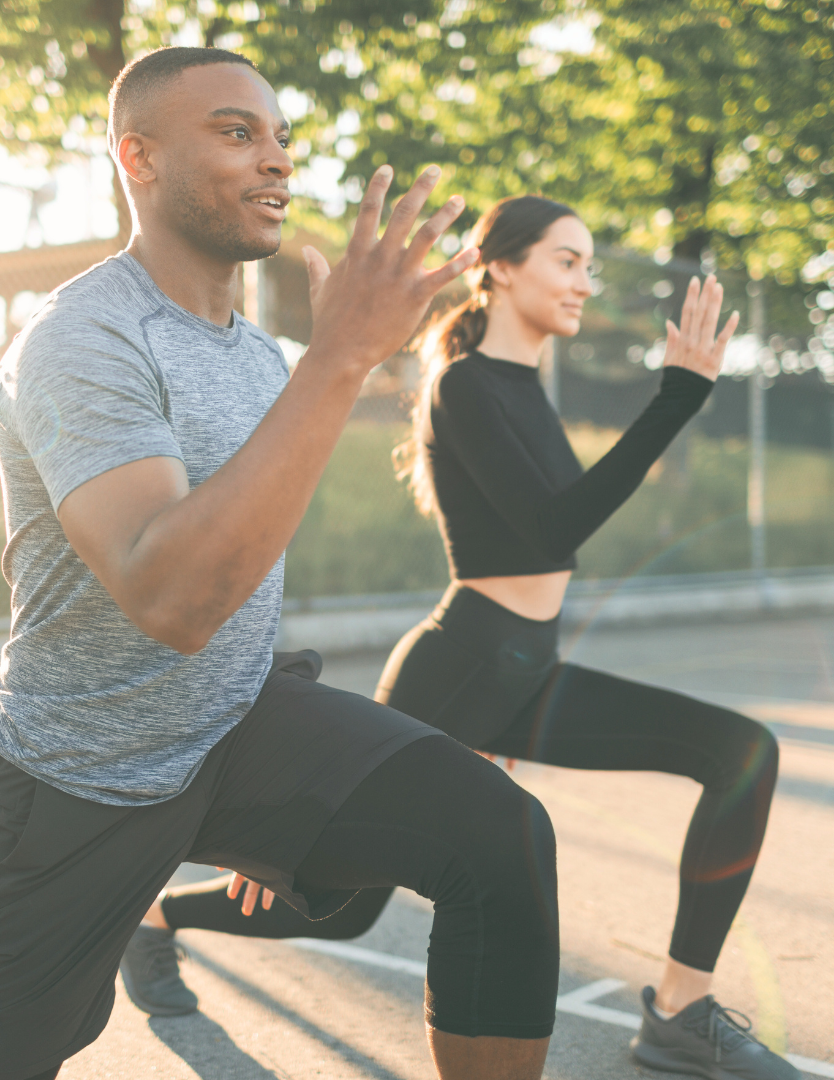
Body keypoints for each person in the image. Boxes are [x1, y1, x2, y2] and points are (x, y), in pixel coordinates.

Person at [0, 50, 565, 1080]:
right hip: (73, 778)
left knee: (500, 839)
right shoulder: (80, 338)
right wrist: (340, 359)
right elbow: (170, 597)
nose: (275, 160)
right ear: (138, 156)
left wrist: (294, 801)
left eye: (280, 138)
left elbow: (243, 569)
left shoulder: (257, 353)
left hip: (235, 727)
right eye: (237, 133)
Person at [122, 196, 800, 1080]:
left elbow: (556, 530)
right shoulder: (465, 385)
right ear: (503, 266)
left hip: (531, 669)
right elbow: (554, 530)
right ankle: (153, 920)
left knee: (740, 751)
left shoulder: (522, 387)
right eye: (567, 260)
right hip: (463, 667)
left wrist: (678, 398)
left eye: (590, 265)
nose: (584, 282)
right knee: (327, 900)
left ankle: (678, 1010)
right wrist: (676, 398)